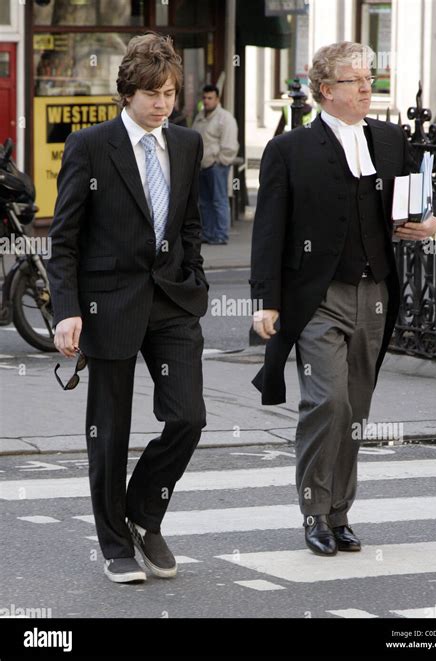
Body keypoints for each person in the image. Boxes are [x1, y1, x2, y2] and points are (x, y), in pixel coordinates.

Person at [250, 42, 436, 557]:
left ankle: (339, 513)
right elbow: (268, 231)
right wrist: (266, 300)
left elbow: (419, 203)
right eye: (355, 81)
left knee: (356, 407)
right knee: (327, 400)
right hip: (317, 298)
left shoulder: (389, 138)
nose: (367, 89)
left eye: (370, 79)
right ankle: (314, 511)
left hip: (375, 292)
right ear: (324, 91)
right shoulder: (289, 150)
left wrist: (429, 223)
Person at [47, 33, 208, 583]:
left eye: (168, 93)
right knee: (109, 433)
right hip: (108, 304)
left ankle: (143, 513)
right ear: (126, 92)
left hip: (172, 301)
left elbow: (188, 225)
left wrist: (197, 280)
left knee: (189, 417)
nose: (162, 104)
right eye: (151, 94)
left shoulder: (186, 144)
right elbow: (63, 237)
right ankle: (116, 546)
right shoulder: (91, 146)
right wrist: (67, 309)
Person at [192, 84, 239, 245]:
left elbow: (230, 144)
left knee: (219, 200)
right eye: (204, 98)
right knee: (205, 202)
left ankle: (221, 235)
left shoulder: (225, 118)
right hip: (202, 165)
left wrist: (220, 161)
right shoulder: (200, 116)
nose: (206, 101)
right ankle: (208, 233)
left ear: (217, 99)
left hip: (217, 166)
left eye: (210, 98)